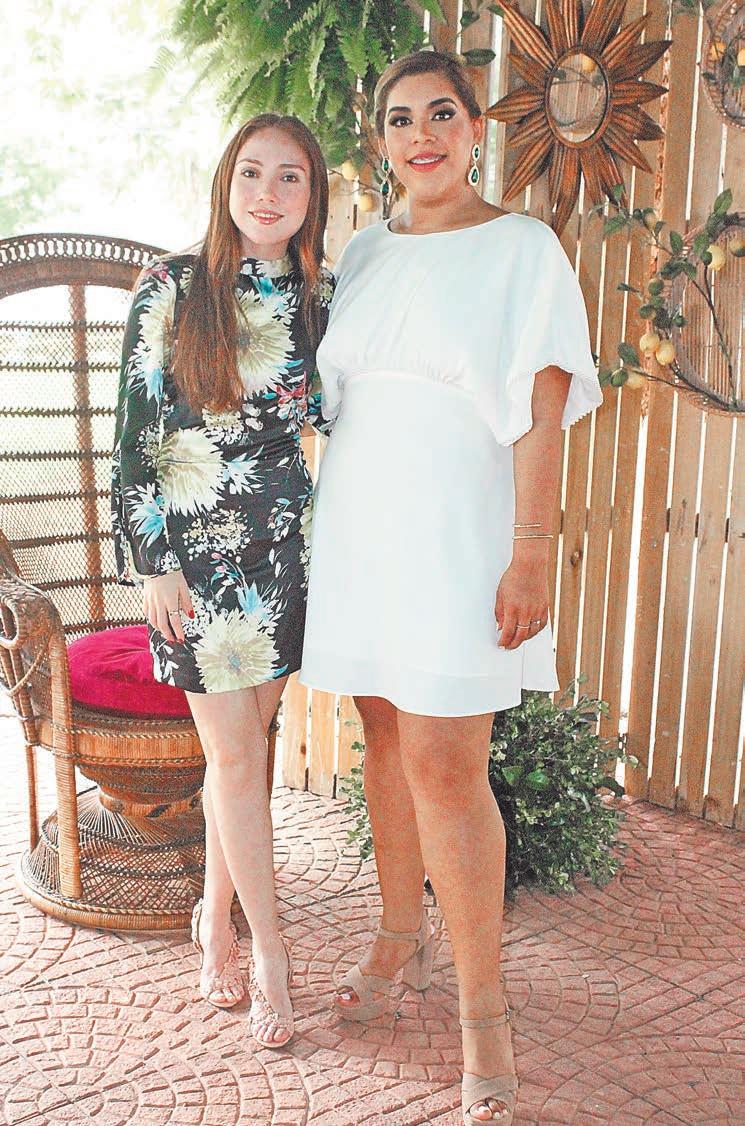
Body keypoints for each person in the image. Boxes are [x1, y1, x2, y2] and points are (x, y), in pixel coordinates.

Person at [300, 51, 602, 1123]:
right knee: (382, 734)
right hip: (360, 533)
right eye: (399, 119)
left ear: (474, 128)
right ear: (380, 138)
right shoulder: (364, 250)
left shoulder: (522, 249)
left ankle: (485, 1012)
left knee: (445, 760)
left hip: (457, 537)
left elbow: (543, 403)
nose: (419, 135)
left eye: (440, 114)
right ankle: (399, 937)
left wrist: (532, 550)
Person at [112, 113, 333, 1049]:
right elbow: (135, 438)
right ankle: (267, 950)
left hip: (285, 546)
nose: (267, 193)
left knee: (245, 753)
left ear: (313, 195)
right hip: (193, 556)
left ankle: (212, 922)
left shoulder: (321, 295)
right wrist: (153, 564)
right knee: (239, 760)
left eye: (290, 177)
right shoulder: (170, 285)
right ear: (225, 181)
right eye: (251, 172)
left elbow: (340, 412)